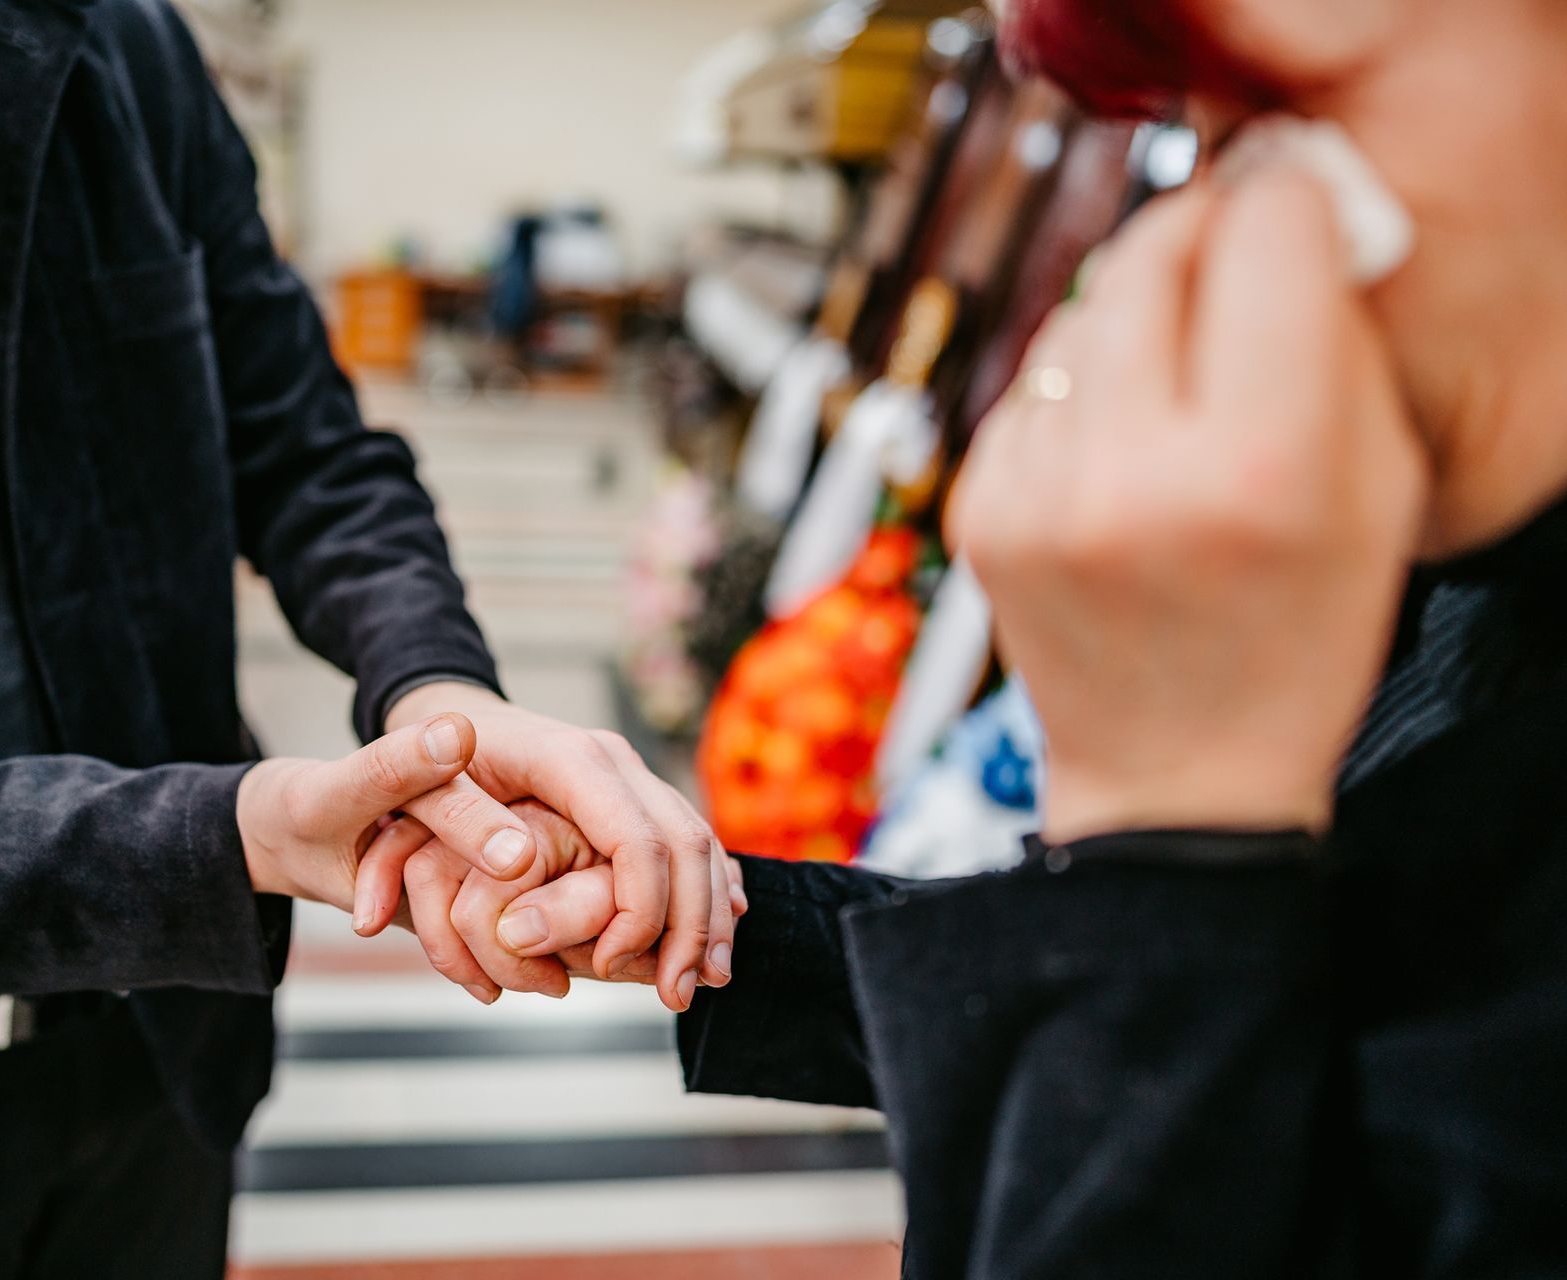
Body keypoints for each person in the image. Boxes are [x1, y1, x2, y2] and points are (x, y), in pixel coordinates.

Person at [474, 0, 1567, 1274]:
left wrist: (1170, 828)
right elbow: (1307, 1011)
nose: (1219, 225)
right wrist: (721, 921)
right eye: (1188, 138)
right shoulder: (1454, 583)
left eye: (1281, 119)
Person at [0, 0, 738, 1273]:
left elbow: (305, 444)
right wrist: (210, 841)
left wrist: (440, 695)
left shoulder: (107, 42)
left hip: (149, 1067)